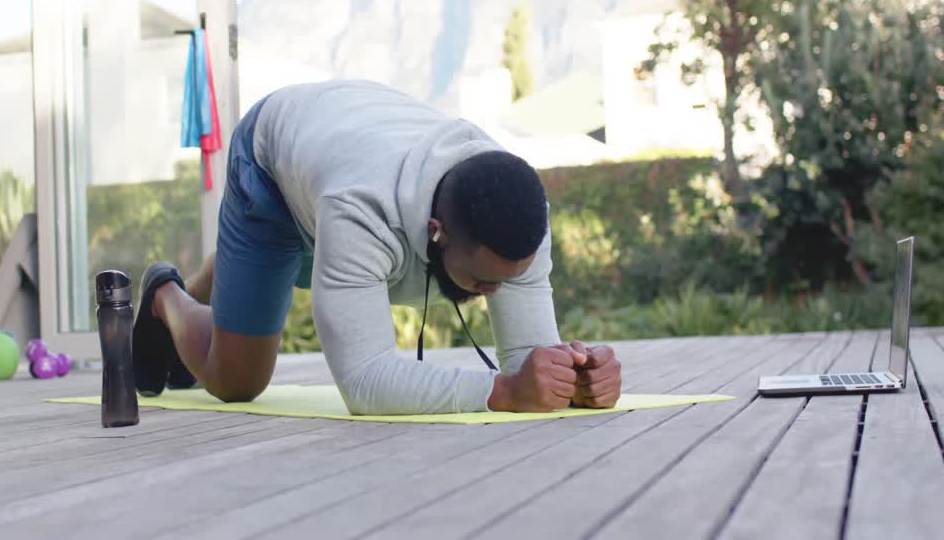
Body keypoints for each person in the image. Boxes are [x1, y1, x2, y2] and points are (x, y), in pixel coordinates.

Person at [132, 79, 622, 415]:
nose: (494, 291)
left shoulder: (515, 210)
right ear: (437, 231)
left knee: (279, 272)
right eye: (483, 280)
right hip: (273, 164)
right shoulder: (360, 213)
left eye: (508, 279)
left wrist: (571, 379)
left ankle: (241, 268)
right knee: (237, 382)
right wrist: (505, 391)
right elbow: (365, 382)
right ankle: (168, 296)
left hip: (343, 145)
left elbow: (525, 360)